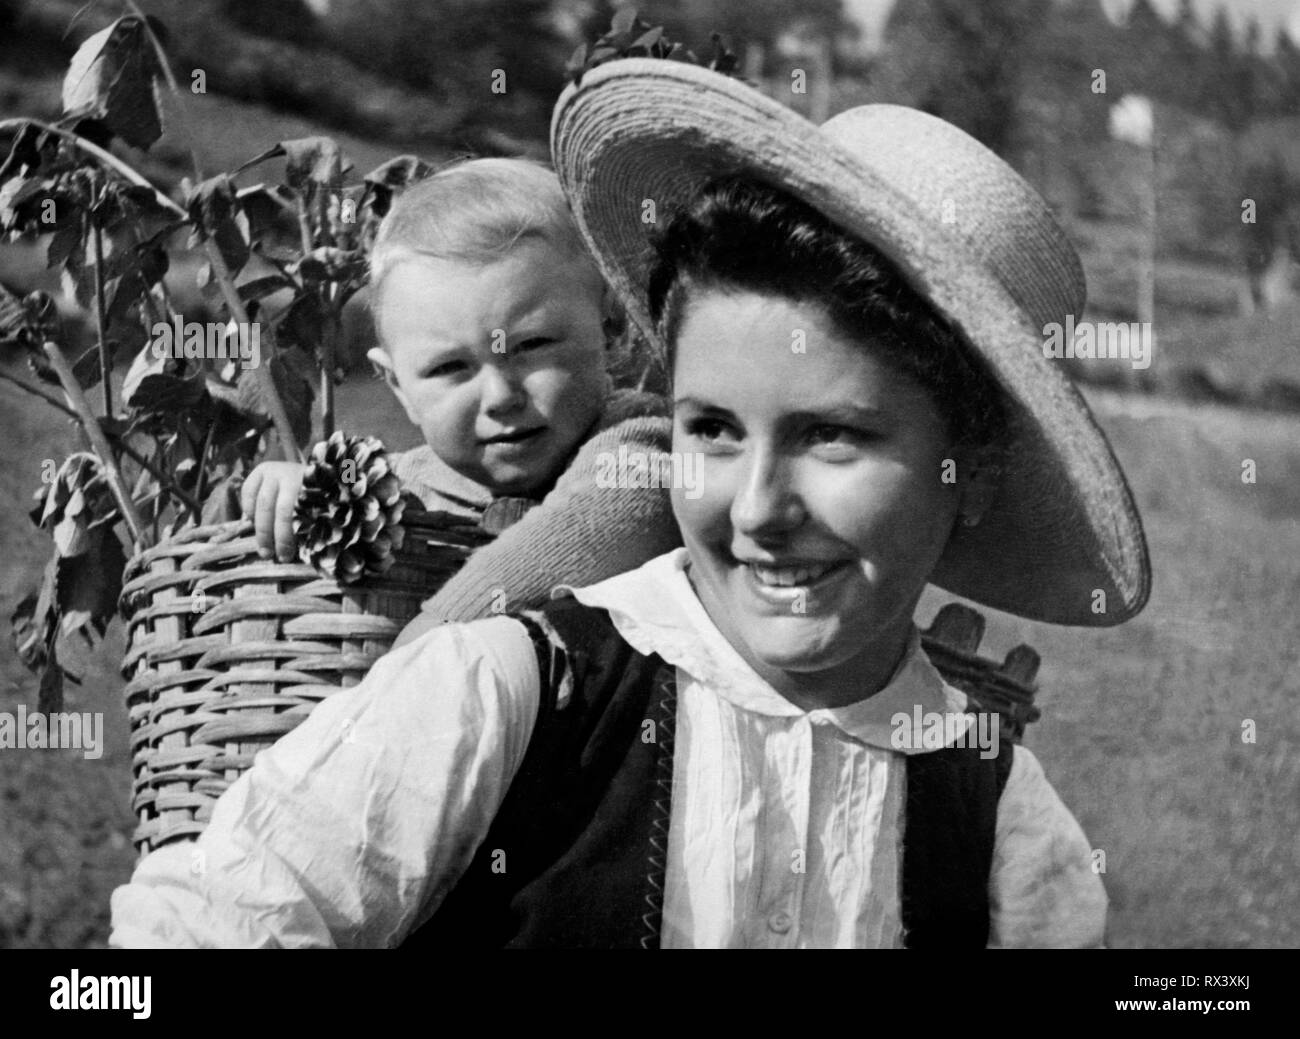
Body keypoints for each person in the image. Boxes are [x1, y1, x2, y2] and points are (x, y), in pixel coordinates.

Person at [110, 59, 1151, 949]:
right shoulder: (513, 691)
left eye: (833, 434)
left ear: (967, 472)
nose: (755, 510)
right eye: (709, 429)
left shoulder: (1004, 821)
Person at [238, 157, 679, 630]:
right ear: (398, 386)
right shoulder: (398, 487)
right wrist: (302, 497)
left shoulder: (636, 445)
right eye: (450, 368)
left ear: (610, 326)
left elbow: (591, 528)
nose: (500, 397)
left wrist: (422, 648)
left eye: (531, 346)